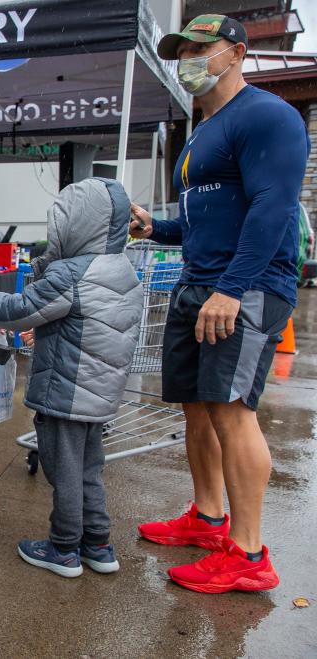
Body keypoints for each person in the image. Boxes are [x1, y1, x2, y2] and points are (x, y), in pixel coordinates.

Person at [131, 15, 309, 593]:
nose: (188, 59)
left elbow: (271, 207)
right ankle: (209, 520)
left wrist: (231, 290)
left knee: (232, 411)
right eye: (182, 50)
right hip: (197, 283)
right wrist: (155, 228)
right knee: (196, 406)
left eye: (200, 49)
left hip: (245, 289)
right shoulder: (202, 130)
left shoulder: (267, 116)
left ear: (235, 52)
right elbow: (203, 219)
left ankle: (249, 554)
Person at [0, 178, 143, 578]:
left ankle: (64, 547)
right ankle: (98, 544)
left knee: (63, 469)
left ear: (76, 224)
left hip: (65, 390)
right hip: (99, 394)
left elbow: (21, 308)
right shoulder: (120, 267)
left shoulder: (72, 274)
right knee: (89, 468)